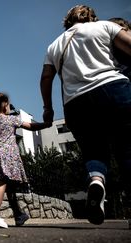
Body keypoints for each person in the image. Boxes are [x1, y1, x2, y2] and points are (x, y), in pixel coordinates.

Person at [39, 5, 131, 225]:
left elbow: (46, 78)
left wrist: (48, 108)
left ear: (67, 21)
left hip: (76, 104)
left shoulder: (54, 45)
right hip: (113, 90)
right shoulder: (104, 27)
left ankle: (97, 182)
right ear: (91, 16)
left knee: (93, 150)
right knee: (126, 149)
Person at [0, 90, 51, 228]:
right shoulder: (11, 119)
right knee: (1, 183)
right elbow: (31, 126)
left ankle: (19, 215)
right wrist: (46, 124)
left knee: (9, 186)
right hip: (7, 156)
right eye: (8, 104)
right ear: (4, 106)